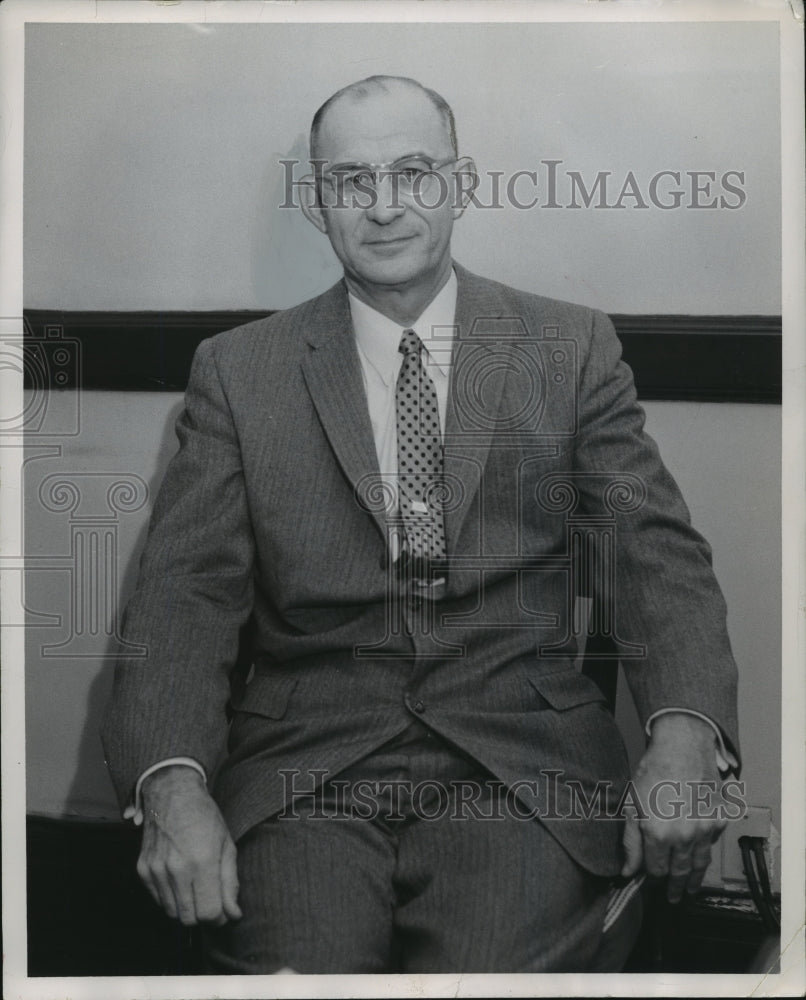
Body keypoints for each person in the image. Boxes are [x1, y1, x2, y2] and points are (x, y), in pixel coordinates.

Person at [102, 75, 740, 974]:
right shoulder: (239, 373)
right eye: (352, 181)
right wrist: (171, 785)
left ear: (462, 184)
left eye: (414, 172)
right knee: (298, 973)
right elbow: (181, 602)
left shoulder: (570, 347)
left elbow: (656, 558)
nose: (386, 206)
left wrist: (683, 738)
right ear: (319, 204)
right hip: (306, 772)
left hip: (521, 766)